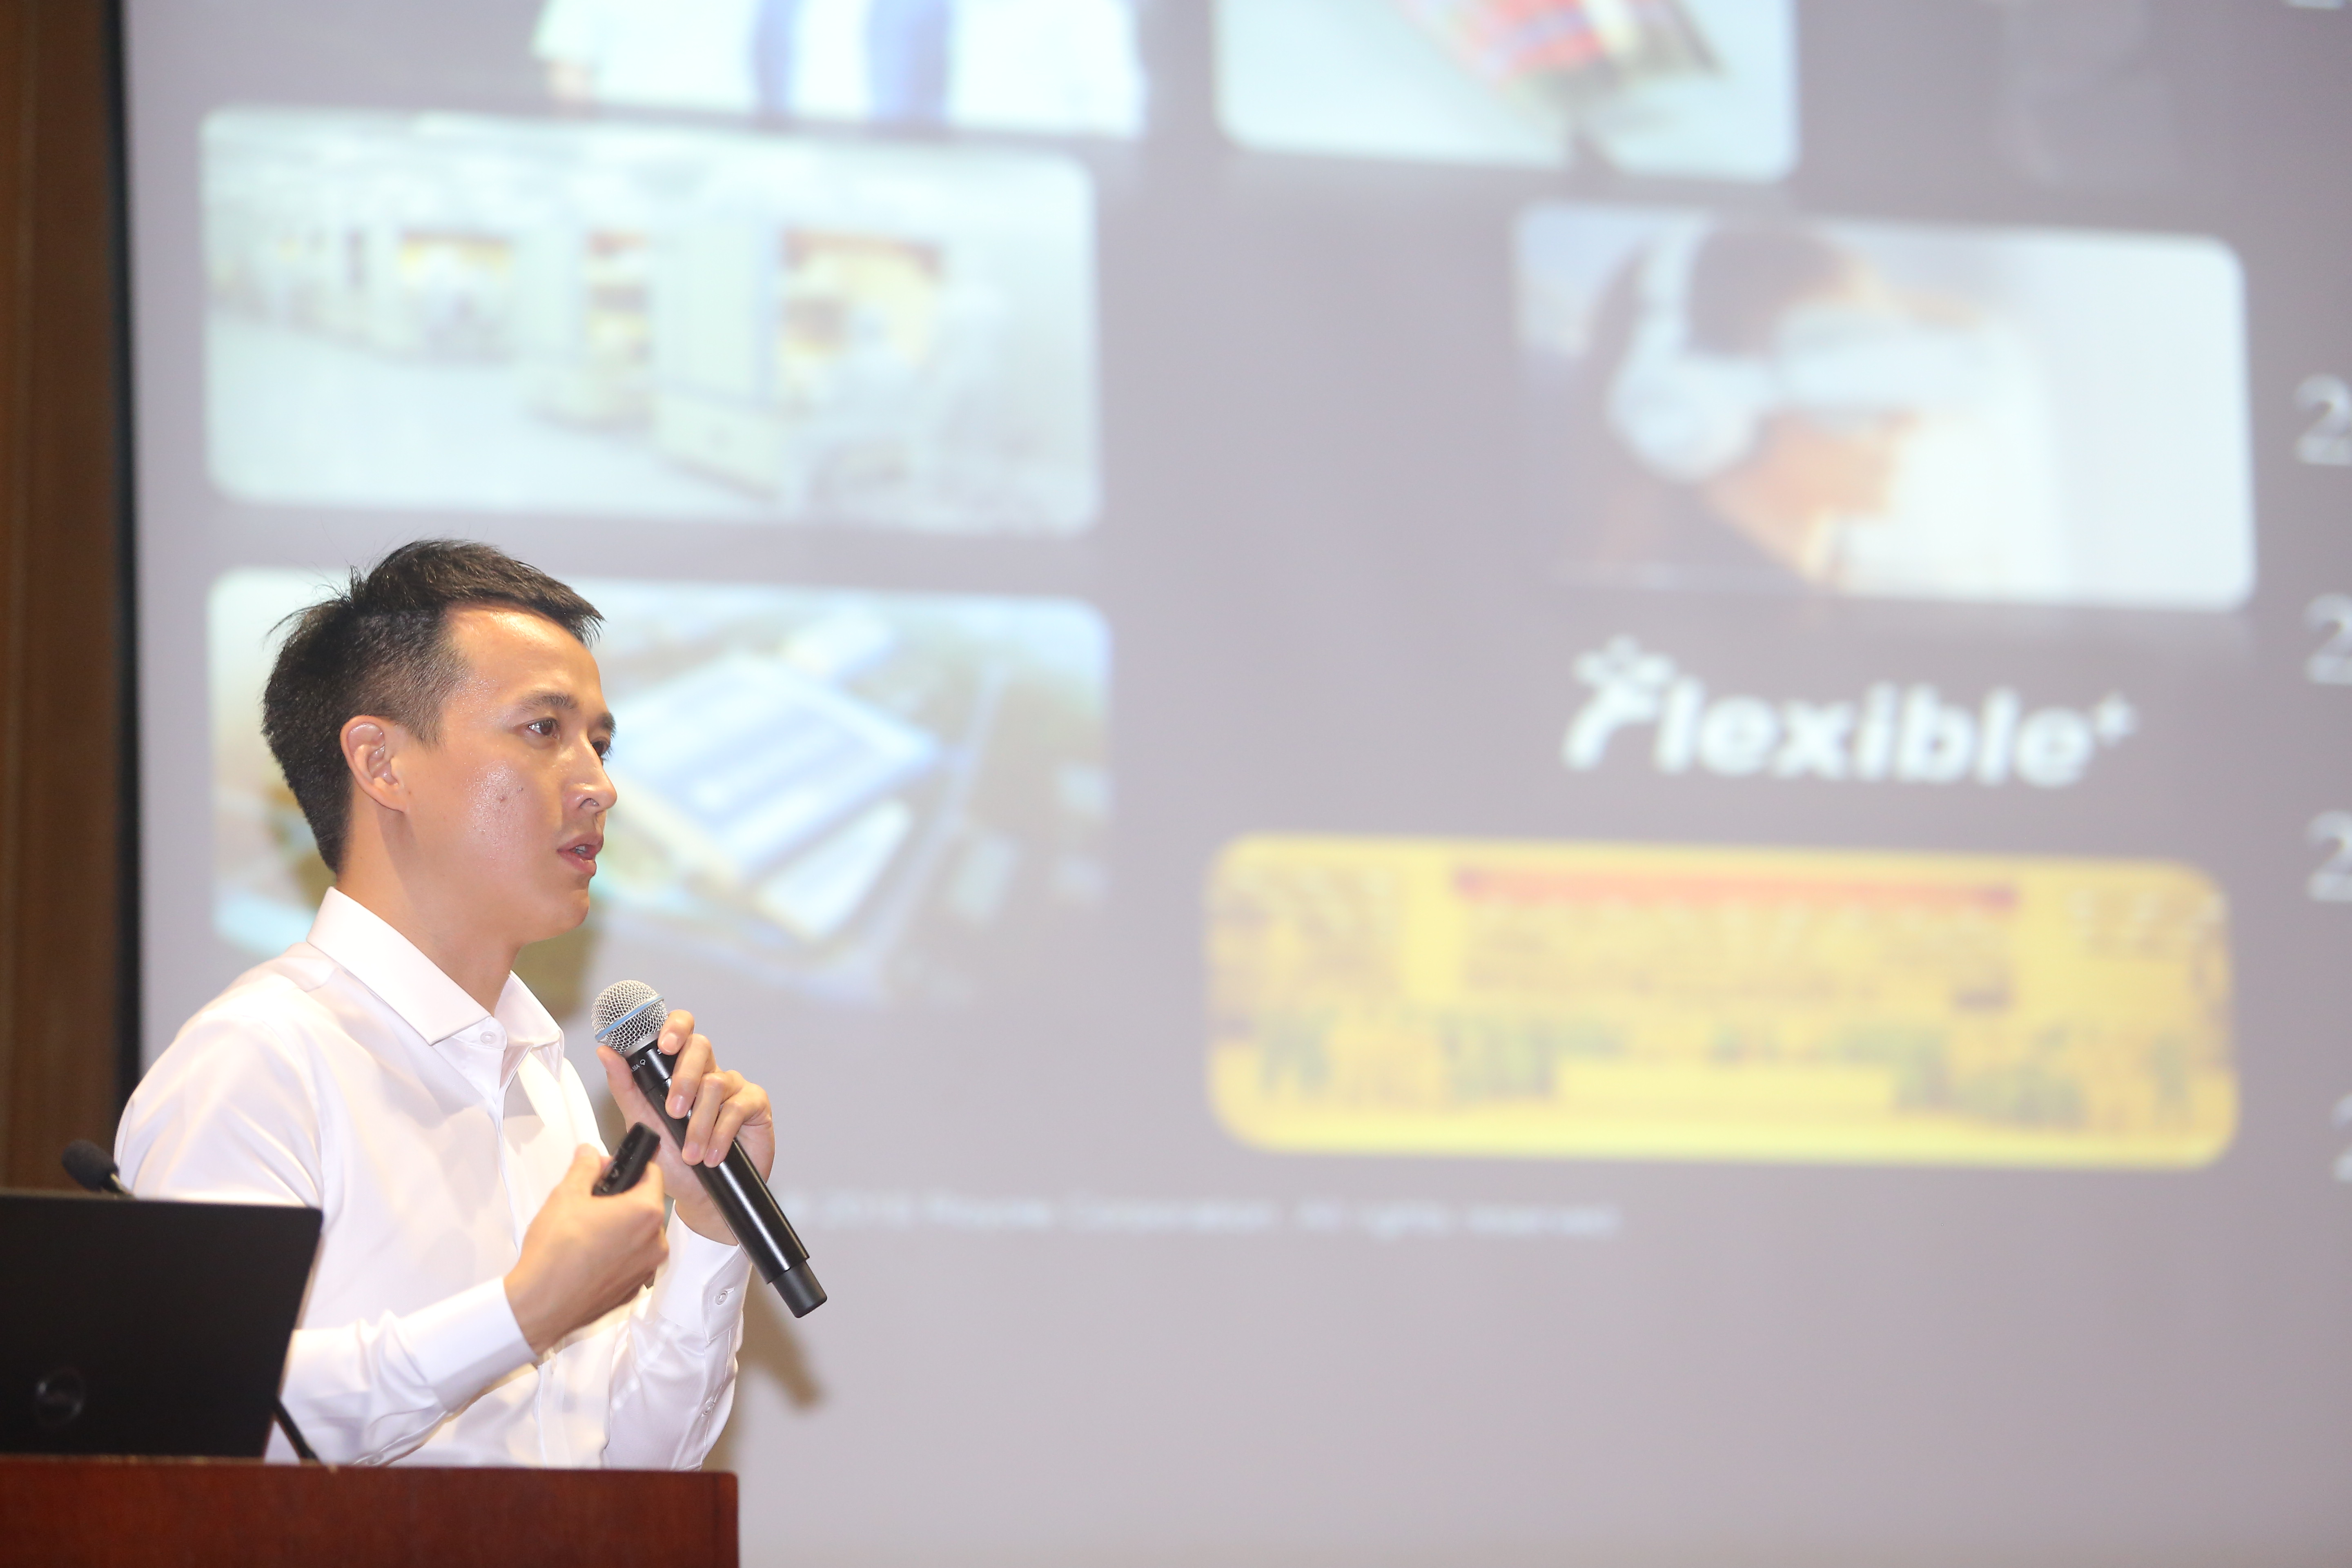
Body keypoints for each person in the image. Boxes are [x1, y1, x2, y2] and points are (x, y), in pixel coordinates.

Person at [117, 541, 774, 1467]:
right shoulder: (257, 1061)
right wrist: (522, 1311)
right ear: (381, 762)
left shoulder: (540, 1079)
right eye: (543, 729)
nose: (600, 784)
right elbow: (199, 1414)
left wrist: (707, 1229)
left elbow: (629, 1469)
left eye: (599, 742)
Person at [1561, 223, 1964, 593]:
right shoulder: (1674, 623)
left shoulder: (1840, 609)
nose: (1908, 419)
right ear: (1691, 399)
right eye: (1842, 377)